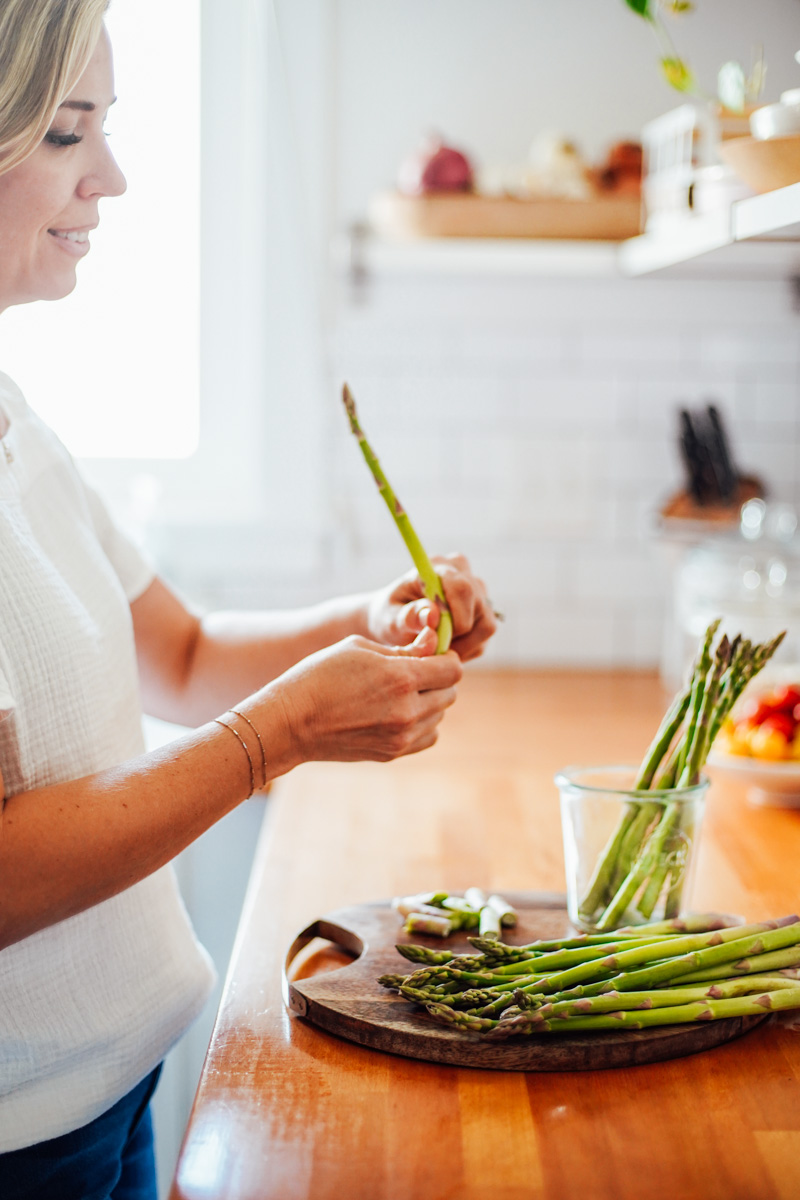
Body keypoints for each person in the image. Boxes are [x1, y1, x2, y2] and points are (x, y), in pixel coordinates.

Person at [0, 2, 498, 1196]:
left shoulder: (14, 416)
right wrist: (275, 736)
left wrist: (365, 622)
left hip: (114, 1092)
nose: (111, 176)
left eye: (105, 129)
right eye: (69, 136)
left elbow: (177, 649)